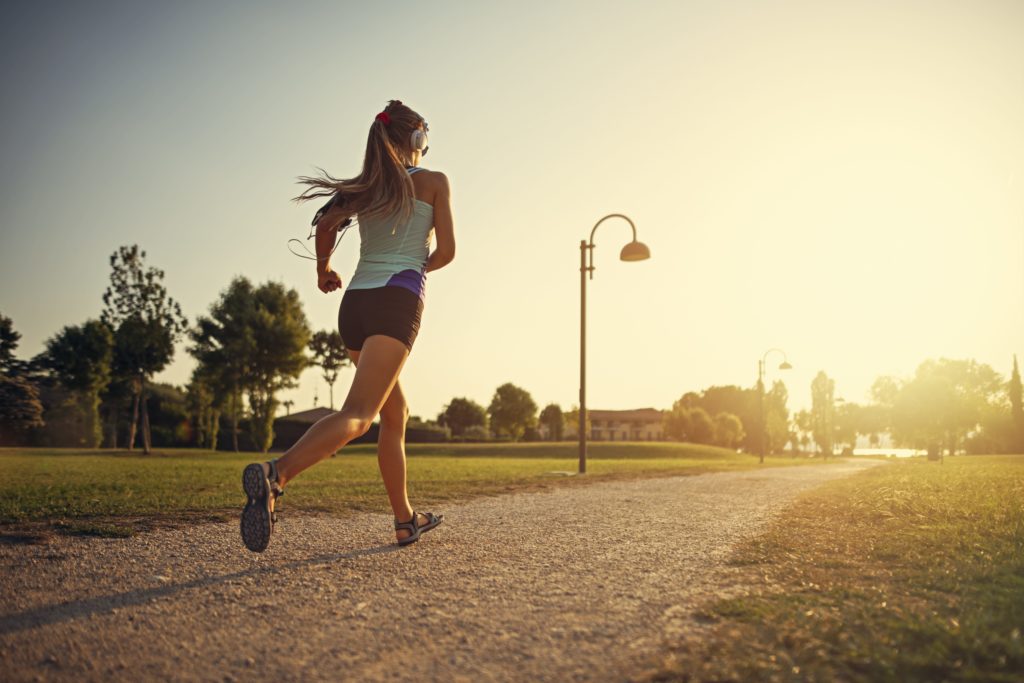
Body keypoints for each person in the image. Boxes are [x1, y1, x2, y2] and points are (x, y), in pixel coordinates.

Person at [241, 100, 455, 552]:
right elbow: (447, 252)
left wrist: (323, 272)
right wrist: (413, 270)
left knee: (394, 412)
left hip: (354, 306)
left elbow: (324, 226)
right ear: (417, 140)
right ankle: (276, 475)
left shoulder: (362, 188)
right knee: (358, 416)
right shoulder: (434, 181)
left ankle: (405, 520)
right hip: (396, 301)